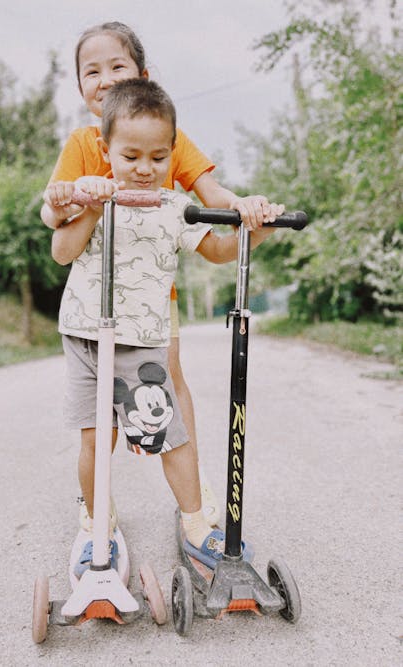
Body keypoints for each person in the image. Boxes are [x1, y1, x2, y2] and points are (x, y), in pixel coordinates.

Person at [41, 20, 283, 531]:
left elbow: (213, 203)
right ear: (108, 152)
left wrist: (251, 218)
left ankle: (194, 508)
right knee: (95, 432)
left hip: (150, 306)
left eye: (117, 67)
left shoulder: (171, 169)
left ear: (142, 74)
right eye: (93, 71)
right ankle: (95, 515)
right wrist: (80, 199)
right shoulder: (83, 149)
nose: (105, 79)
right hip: (93, 313)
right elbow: (58, 228)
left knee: (165, 406)